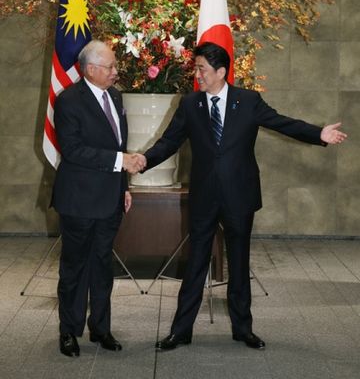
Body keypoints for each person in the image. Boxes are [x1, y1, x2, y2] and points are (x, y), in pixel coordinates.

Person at [140, 41, 347, 351]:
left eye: (202, 69)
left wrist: (318, 133)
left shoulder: (248, 101)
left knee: (239, 263)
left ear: (221, 72)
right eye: (196, 68)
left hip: (239, 195)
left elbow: (282, 123)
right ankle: (180, 331)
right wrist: (143, 161)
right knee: (196, 263)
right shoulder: (190, 104)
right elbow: (168, 142)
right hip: (204, 197)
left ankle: (243, 329)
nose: (197, 75)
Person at [51, 40, 145, 357]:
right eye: (111, 67)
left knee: (103, 267)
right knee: (75, 268)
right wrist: (122, 163)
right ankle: (69, 331)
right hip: (78, 201)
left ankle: (100, 329)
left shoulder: (115, 97)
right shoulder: (69, 101)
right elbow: (74, 151)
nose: (116, 72)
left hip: (110, 200)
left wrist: (125, 186)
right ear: (91, 69)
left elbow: (120, 144)